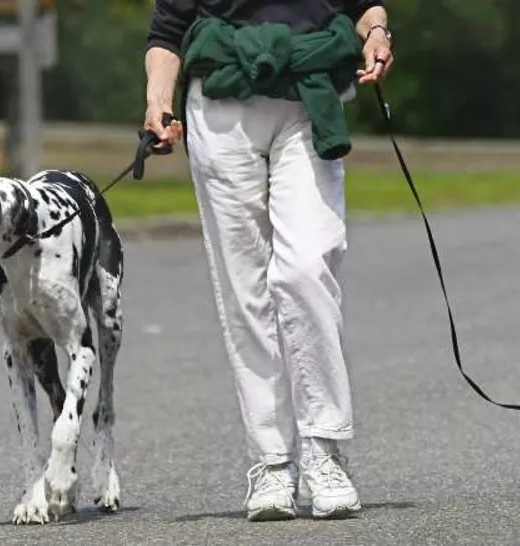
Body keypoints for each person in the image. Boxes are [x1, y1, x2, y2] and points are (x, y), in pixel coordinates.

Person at [144, 0, 393, 521]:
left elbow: (363, 5)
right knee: (245, 292)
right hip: (220, 106)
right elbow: (168, 29)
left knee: (306, 268)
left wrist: (377, 33)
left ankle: (324, 449)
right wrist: (158, 104)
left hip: (309, 97)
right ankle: (271, 461)